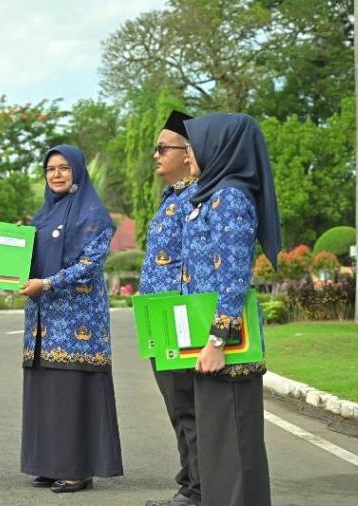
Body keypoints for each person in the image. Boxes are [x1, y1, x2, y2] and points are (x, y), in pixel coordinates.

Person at [182, 113, 280, 506]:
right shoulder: (214, 194)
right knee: (220, 447)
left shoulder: (231, 197)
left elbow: (234, 276)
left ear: (217, 148)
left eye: (193, 147)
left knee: (233, 449)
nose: (188, 156)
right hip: (211, 344)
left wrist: (217, 341)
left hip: (227, 349)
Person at [18, 144, 123, 494]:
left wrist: (47, 283)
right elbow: (22, 258)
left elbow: (89, 266)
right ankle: (50, 464)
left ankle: (78, 469)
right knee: (47, 391)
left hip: (78, 321)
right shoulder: (43, 216)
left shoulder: (93, 214)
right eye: (50, 169)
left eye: (64, 168)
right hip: (42, 320)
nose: (57, 174)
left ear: (77, 170)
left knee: (73, 393)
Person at [140, 111, 202, 506]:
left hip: (180, 317)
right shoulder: (171, 199)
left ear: (188, 152)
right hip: (158, 318)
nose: (156, 155)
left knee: (189, 408)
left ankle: (197, 490)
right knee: (177, 407)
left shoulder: (197, 197)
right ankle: (190, 483)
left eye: (163, 148)